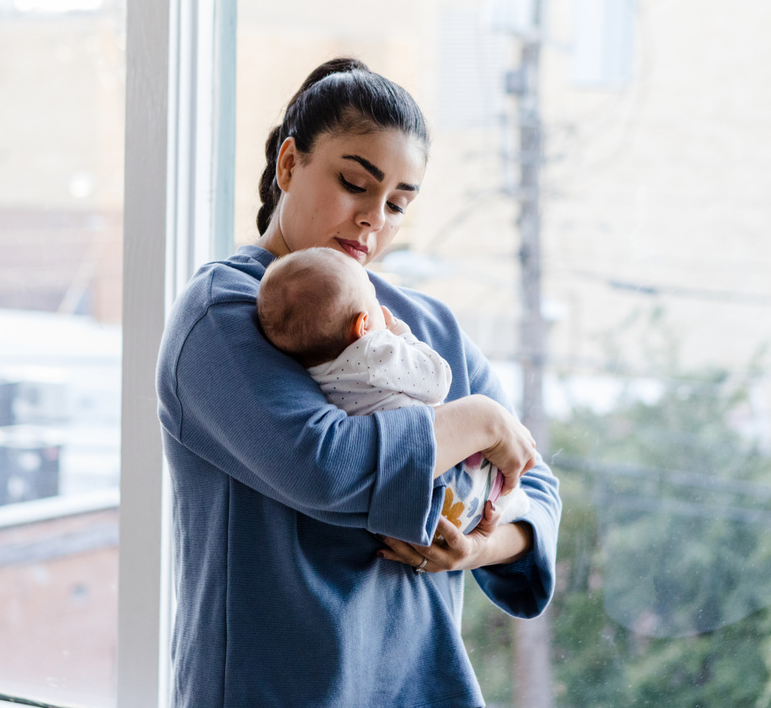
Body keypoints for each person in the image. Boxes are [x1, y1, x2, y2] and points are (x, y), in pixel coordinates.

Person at [156, 57, 561, 708]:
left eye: (398, 203)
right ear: (289, 165)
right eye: (354, 183)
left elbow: (535, 483)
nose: (374, 218)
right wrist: (478, 422)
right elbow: (325, 466)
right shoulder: (223, 316)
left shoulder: (429, 325)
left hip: (425, 690)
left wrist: (478, 548)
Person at [255, 245, 531, 532]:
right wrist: (400, 333)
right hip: (451, 482)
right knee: (509, 487)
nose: (383, 309)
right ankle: (513, 506)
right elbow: (437, 380)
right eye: (373, 299)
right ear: (363, 325)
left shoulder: (311, 371)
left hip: (416, 506)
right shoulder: (377, 352)